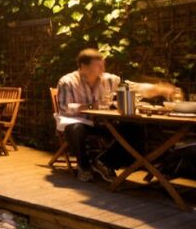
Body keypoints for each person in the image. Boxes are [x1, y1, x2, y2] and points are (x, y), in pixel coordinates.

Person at [57, 48, 176, 182]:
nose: (102, 70)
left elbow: (133, 87)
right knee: (76, 129)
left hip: (104, 123)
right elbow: (64, 107)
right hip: (80, 122)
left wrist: (158, 89)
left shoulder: (109, 80)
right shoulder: (68, 81)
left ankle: (104, 162)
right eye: (98, 66)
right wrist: (91, 106)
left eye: (103, 66)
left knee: (134, 129)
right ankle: (84, 167)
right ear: (83, 66)